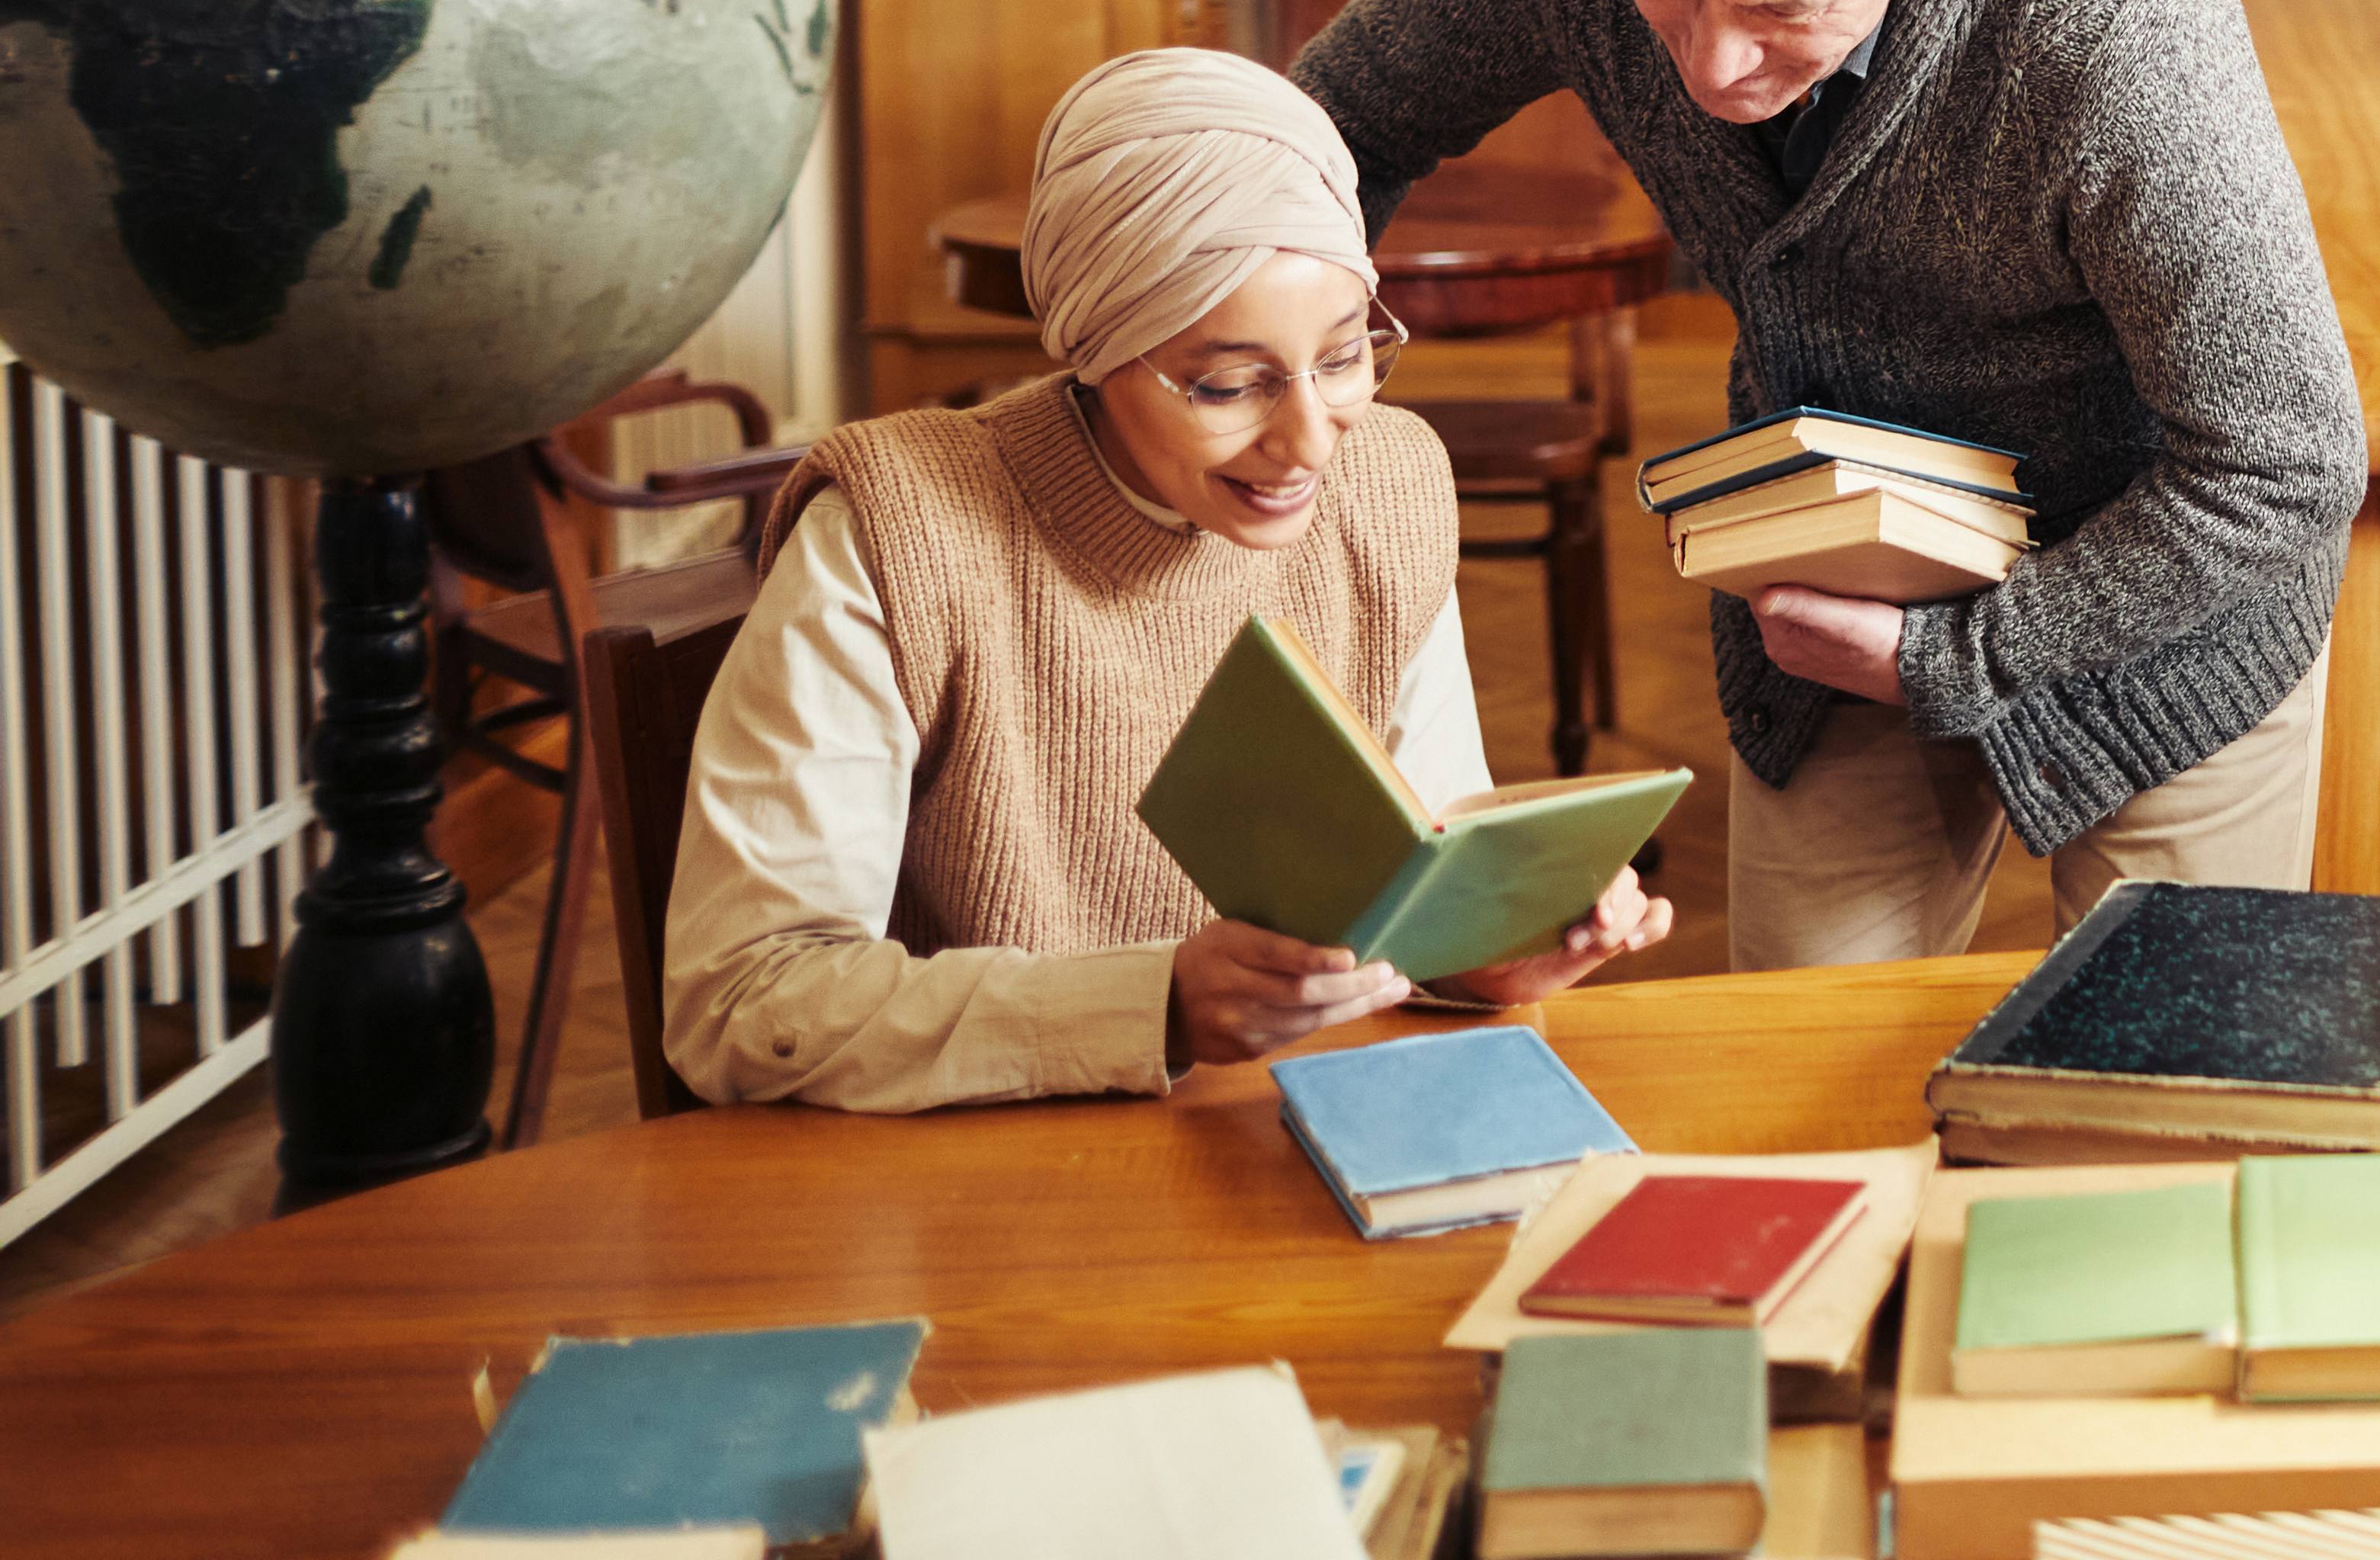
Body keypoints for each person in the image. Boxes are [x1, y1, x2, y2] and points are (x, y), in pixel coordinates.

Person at [1292, 0, 2362, 971]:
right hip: (1837, 564)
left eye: (1783, 12)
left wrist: (1962, 657)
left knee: (2162, 1096)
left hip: (2168, 585)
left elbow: (2285, 463)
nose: (1711, 72)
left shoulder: (2114, 11)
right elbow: (1337, 121)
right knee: (1798, 1076)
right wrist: (1297, 371)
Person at [669, 53, 1668, 1109]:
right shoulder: (899, 530)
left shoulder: (1389, 481)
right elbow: (741, 1003)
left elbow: (1412, 894)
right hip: (979, 1186)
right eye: (1228, 385)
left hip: (1293, 1140)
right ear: (1095, 352)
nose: (1308, 444)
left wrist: (1495, 952)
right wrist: (1153, 1007)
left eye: (1342, 359)